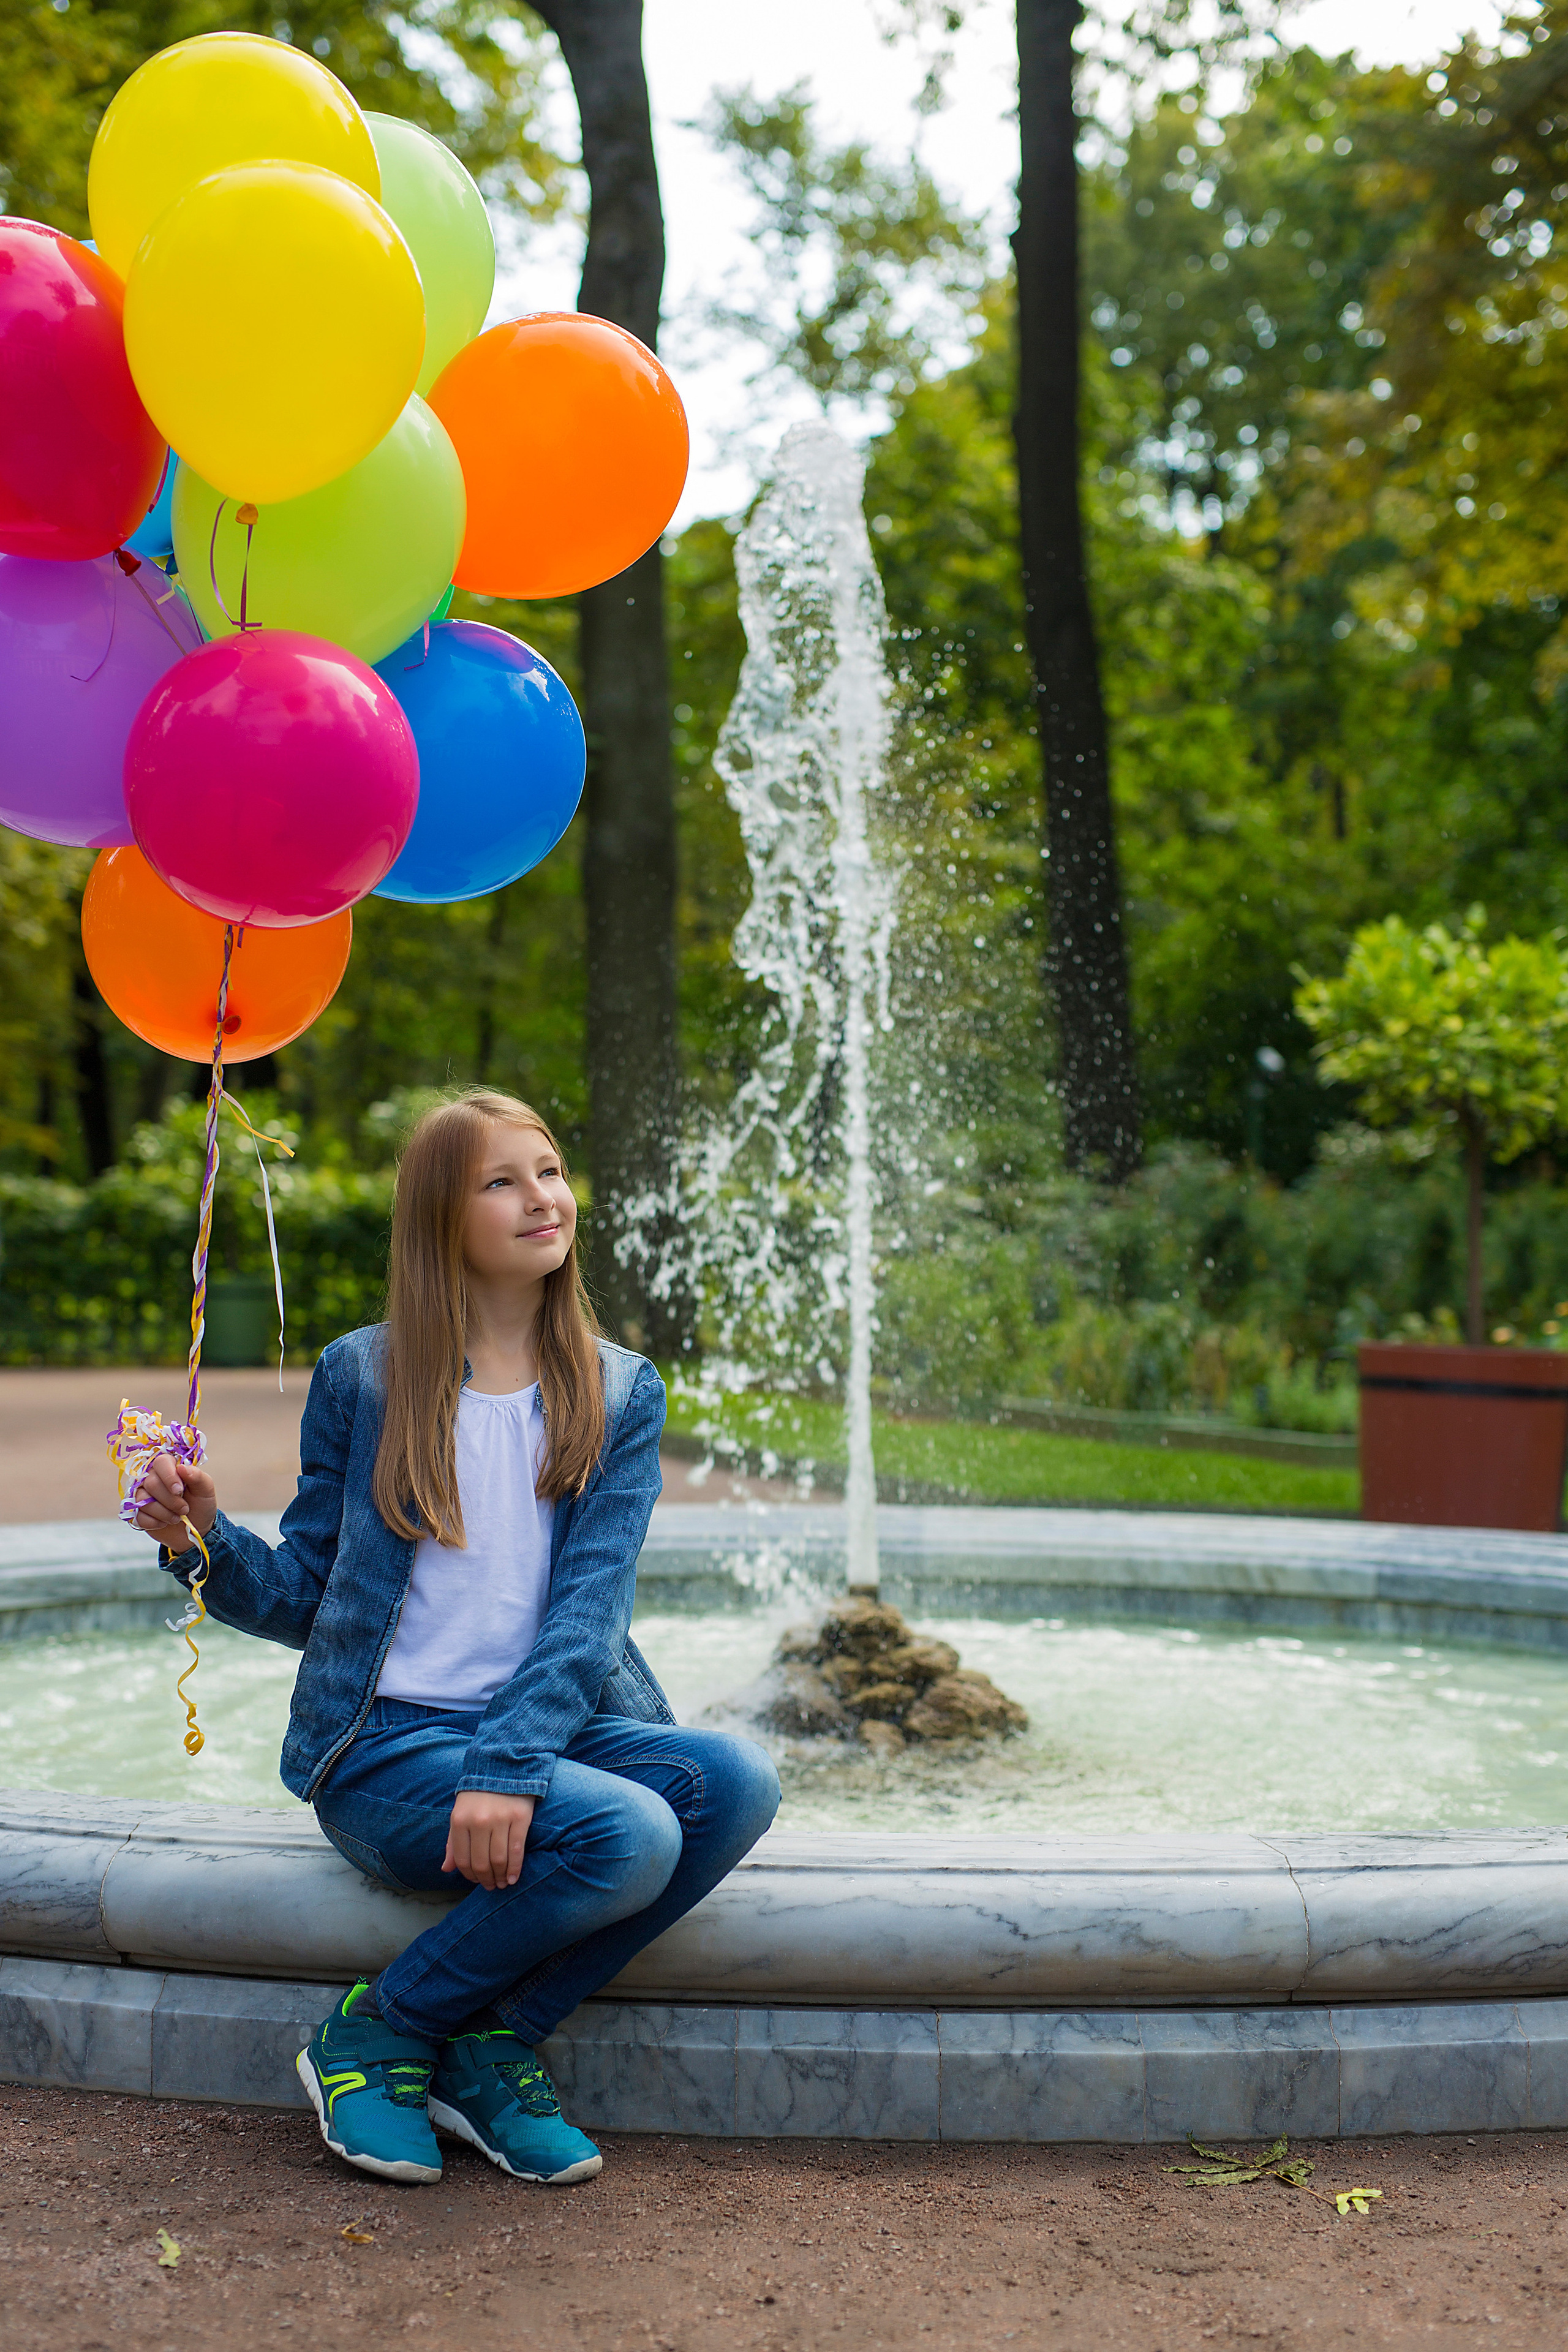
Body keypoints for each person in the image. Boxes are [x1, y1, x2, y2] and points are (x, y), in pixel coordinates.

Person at [129, 1087, 780, 2188]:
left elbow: (588, 1617)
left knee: (735, 1783)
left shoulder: (620, 1391)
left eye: (553, 1170)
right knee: (628, 1837)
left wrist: (511, 1765)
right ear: (442, 1216)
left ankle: (484, 2041)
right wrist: (204, 1539)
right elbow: (312, 1599)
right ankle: (373, 2035)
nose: (544, 1198)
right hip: (386, 1751)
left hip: (541, 1739)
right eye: (502, 1180)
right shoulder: (365, 1376)